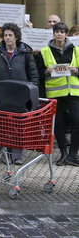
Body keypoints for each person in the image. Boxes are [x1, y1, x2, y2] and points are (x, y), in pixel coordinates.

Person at [0, 22, 40, 165]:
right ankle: (5, 153)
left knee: (18, 125)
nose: (7, 38)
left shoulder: (26, 52)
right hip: (0, 92)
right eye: (5, 35)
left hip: (20, 93)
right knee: (2, 124)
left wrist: (33, 90)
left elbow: (33, 74)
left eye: (10, 35)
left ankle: (18, 154)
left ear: (16, 37)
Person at [36, 22, 79, 166]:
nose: (59, 34)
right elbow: (38, 72)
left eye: (62, 32)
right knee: (58, 124)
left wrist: (76, 71)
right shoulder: (45, 51)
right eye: (57, 31)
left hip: (73, 92)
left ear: (67, 34)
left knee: (77, 121)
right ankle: (63, 153)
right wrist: (45, 72)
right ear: (53, 33)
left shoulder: (76, 50)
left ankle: (73, 154)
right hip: (54, 92)